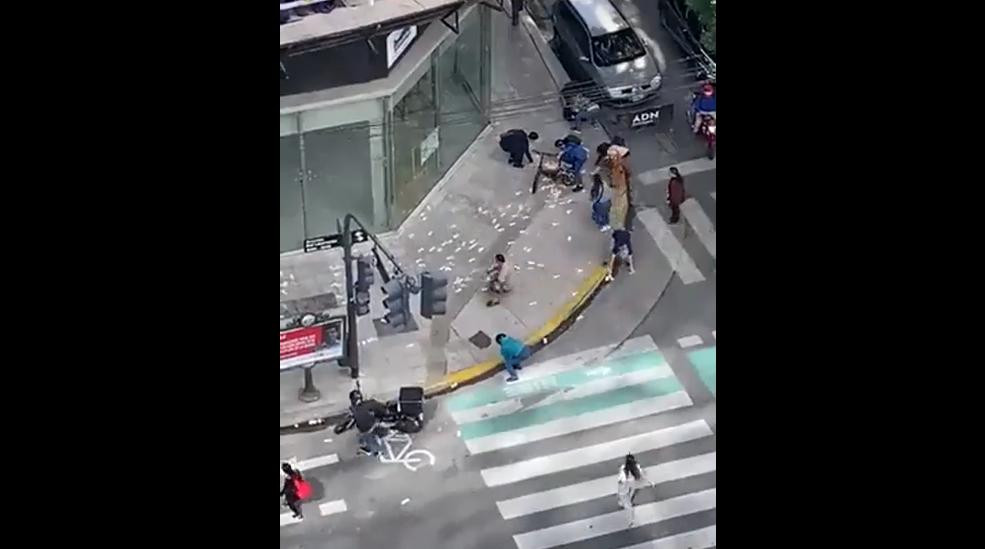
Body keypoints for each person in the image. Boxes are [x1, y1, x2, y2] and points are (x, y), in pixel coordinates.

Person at [616, 454, 655, 526]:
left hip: (625, 489)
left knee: (627, 502)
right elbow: (643, 476)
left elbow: (620, 480)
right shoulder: (636, 468)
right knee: (630, 494)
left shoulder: (623, 469)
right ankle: (631, 520)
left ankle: (631, 520)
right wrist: (649, 482)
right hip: (633, 485)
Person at [351, 390, 388, 456]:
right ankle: (377, 450)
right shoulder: (371, 403)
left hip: (363, 429)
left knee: (367, 434)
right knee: (378, 430)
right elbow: (383, 411)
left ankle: (371, 448)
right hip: (370, 429)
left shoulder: (353, 408)